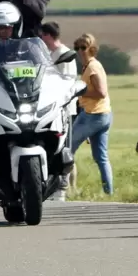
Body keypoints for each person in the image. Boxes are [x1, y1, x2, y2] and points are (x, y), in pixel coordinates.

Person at [40, 21, 78, 199]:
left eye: (42, 35)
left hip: (64, 109)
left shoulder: (64, 55)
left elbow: (67, 82)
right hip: (49, 108)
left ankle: (61, 189)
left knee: (63, 148)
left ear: (47, 35)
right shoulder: (50, 54)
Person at [71, 33, 113, 195]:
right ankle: (109, 192)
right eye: (77, 48)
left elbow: (101, 92)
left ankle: (61, 189)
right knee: (101, 157)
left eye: (84, 47)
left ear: (92, 48)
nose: (80, 51)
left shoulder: (92, 67)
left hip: (92, 115)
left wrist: (79, 90)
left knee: (66, 150)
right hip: (103, 114)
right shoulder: (91, 65)